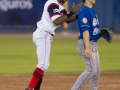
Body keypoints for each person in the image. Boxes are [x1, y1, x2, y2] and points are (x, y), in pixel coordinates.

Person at [25, 0, 82, 90]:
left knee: (44, 64)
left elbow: (66, 19)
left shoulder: (60, 6)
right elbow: (57, 21)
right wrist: (71, 12)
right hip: (43, 34)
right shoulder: (53, 3)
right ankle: (30, 88)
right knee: (43, 64)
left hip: (41, 34)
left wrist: (79, 16)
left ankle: (34, 88)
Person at [70, 0, 101, 90]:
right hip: (87, 43)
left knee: (97, 71)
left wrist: (100, 34)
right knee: (92, 70)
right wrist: (87, 48)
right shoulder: (84, 11)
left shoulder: (91, 10)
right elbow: (85, 31)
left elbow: (92, 30)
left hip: (93, 44)